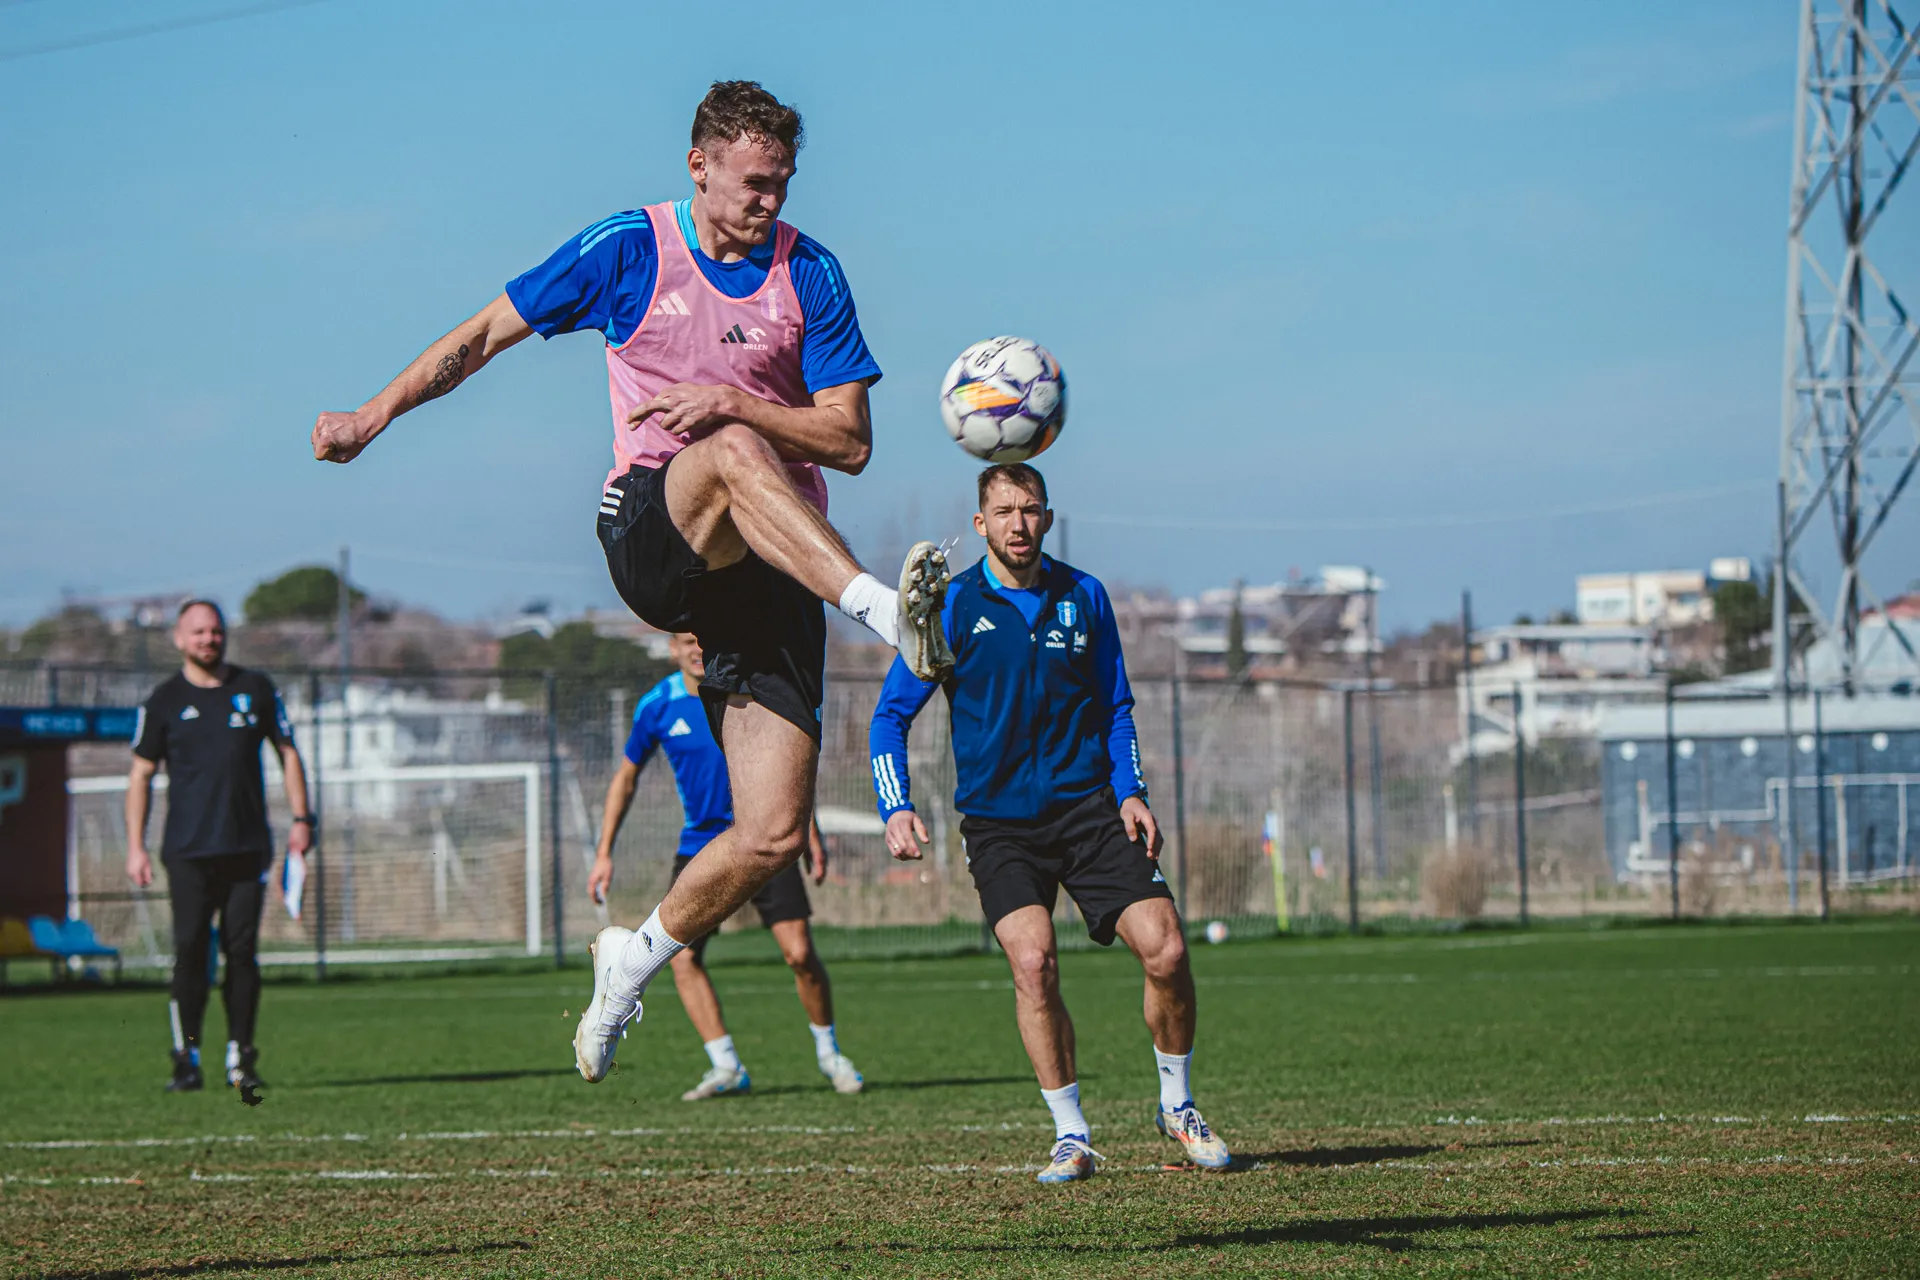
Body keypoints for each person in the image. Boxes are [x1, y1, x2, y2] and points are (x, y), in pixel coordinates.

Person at [308, 81, 953, 1083]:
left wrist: (734, 400)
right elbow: (482, 335)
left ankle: (632, 957)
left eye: (783, 183)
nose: (770, 201)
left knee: (770, 833)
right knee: (730, 450)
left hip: (775, 562)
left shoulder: (810, 272)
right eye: (754, 182)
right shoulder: (628, 248)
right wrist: (371, 414)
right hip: (656, 526)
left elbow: (850, 440)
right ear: (699, 165)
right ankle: (884, 613)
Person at [869, 464, 1230, 1184]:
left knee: (1166, 950)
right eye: (1004, 511)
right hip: (999, 827)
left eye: (1031, 509)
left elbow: (1116, 706)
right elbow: (889, 718)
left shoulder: (1084, 596)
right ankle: (1071, 1135)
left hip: (1090, 812)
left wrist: (1131, 792)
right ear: (980, 524)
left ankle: (1177, 1104)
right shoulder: (951, 605)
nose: (1019, 523)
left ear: (1049, 518)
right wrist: (895, 805)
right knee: (1033, 964)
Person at [590, 632, 863, 1098]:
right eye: (686, 641)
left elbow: (787, 765)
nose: (696, 648)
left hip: (763, 840)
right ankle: (726, 1065)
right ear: (672, 649)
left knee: (799, 954)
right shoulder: (657, 706)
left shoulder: (747, 689)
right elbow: (626, 778)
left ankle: (830, 1053)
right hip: (702, 847)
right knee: (683, 959)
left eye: (703, 638)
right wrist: (604, 852)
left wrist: (809, 828)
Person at [126, 600, 312, 1096]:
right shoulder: (163, 702)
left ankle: (241, 1057)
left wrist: (302, 819)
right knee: (190, 953)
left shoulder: (256, 689)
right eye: (198, 632)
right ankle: (186, 1058)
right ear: (179, 639)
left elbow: (288, 752)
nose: (209, 639)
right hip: (187, 851)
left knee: (242, 953)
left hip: (246, 848)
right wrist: (135, 847)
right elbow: (140, 775)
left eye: (215, 631)